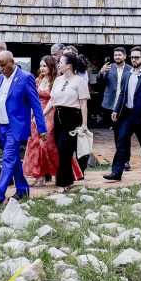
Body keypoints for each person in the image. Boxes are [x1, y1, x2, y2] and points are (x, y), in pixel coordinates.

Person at [0, 50, 48, 206]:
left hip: (15, 126)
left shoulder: (25, 78)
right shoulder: (1, 77)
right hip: (1, 124)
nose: (0, 69)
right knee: (13, 159)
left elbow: (36, 105)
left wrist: (42, 128)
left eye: (3, 66)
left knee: (7, 158)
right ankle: (22, 189)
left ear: (12, 62)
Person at [24, 55, 83, 185]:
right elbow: (32, 98)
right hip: (37, 113)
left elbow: (55, 99)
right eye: (40, 66)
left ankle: (63, 173)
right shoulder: (37, 80)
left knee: (48, 145)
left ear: (51, 67)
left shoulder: (57, 81)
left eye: (44, 66)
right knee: (35, 144)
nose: (42, 68)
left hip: (52, 113)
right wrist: (33, 114)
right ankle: (40, 175)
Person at [105, 46, 141, 183]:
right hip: (127, 115)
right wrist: (116, 110)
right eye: (132, 57)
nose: (134, 60)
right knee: (121, 141)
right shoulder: (128, 73)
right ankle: (116, 172)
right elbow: (122, 93)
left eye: (137, 57)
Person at [44, 52, 90, 192]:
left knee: (65, 149)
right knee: (60, 149)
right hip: (58, 115)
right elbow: (52, 100)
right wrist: (41, 115)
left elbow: (83, 104)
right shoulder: (58, 80)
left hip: (72, 116)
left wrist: (84, 124)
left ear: (68, 65)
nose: (59, 64)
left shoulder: (79, 81)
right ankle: (68, 180)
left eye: (61, 62)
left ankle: (62, 183)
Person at [98, 47, 130, 170]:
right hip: (111, 105)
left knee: (124, 134)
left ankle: (126, 160)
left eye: (119, 55)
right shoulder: (109, 67)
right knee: (117, 133)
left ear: (125, 56)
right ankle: (121, 159)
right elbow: (100, 82)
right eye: (115, 55)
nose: (117, 57)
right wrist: (101, 72)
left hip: (125, 106)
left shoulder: (130, 69)